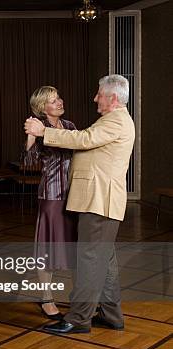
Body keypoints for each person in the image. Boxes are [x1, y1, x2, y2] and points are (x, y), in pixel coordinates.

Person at [24, 74, 135, 334]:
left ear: (113, 98)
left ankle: (79, 318)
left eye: (99, 94)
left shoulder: (115, 121)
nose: (95, 97)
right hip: (97, 201)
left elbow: (84, 139)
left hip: (98, 201)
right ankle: (111, 315)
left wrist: (44, 132)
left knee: (88, 261)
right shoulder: (113, 120)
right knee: (104, 261)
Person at [24, 86, 78, 320]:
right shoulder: (37, 126)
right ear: (41, 107)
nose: (59, 102)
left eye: (58, 98)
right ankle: (46, 297)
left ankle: (79, 297)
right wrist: (31, 136)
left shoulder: (70, 126)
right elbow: (28, 161)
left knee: (75, 247)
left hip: (75, 195)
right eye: (53, 100)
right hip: (52, 196)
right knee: (48, 249)